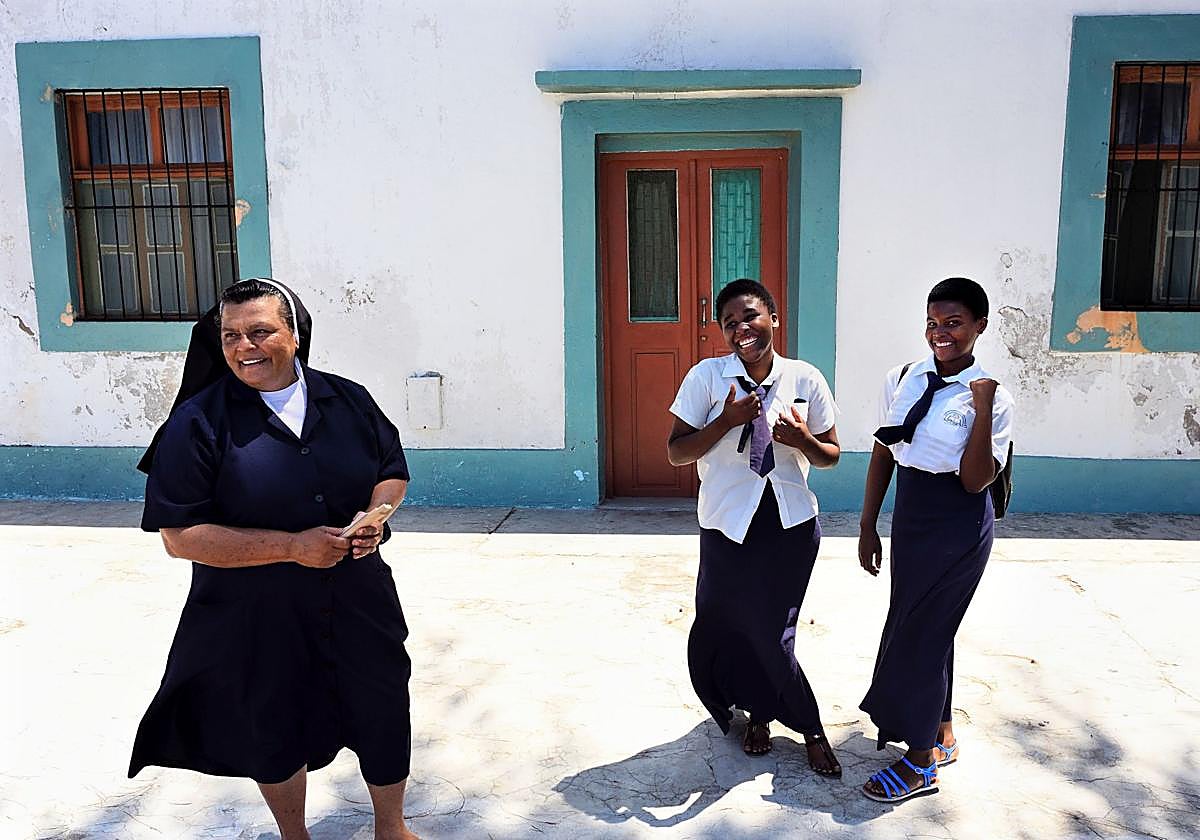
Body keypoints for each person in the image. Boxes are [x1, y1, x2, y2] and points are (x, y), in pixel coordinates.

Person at [129, 278, 421, 840]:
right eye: (231, 335)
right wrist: (291, 547)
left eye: (260, 331)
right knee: (275, 720)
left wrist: (375, 518)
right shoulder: (197, 423)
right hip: (254, 610)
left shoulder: (349, 399)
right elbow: (179, 535)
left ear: (294, 333)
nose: (245, 347)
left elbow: (392, 471)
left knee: (381, 705)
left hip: (359, 597)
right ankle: (295, 836)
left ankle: (392, 827)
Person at [667, 278, 843, 776]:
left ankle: (810, 728)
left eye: (750, 317)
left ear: (773, 318)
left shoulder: (805, 379)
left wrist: (803, 439)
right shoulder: (706, 379)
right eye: (729, 324)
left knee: (774, 632)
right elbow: (676, 452)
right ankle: (758, 715)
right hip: (727, 525)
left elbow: (830, 456)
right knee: (729, 627)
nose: (741, 329)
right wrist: (724, 421)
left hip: (789, 525)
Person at [857, 277, 1014, 804]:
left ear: (979, 328)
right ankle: (942, 729)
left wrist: (983, 407)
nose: (940, 333)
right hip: (912, 516)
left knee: (922, 635)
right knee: (923, 628)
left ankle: (921, 761)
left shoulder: (993, 394)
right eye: (933, 322)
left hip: (959, 524)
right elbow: (885, 450)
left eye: (953, 324)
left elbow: (975, 480)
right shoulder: (904, 377)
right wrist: (867, 523)